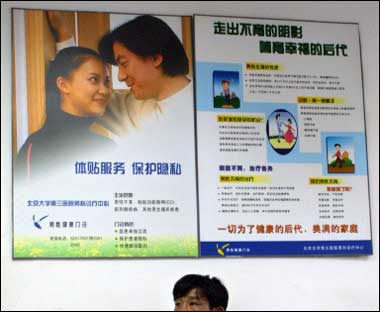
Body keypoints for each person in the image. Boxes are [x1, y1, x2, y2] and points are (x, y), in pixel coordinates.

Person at [48, 13, 193, 141]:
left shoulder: (205, 109)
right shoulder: (129, 105)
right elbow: (80, 87)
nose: (121, 76)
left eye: (124, 63)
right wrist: (63, 34)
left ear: (155, 58)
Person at [15, 46, 113, 181]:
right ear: (63, 84)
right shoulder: (36, 147)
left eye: (106, 82)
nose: (105, 90)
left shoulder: (107, 146)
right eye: (93, 79)